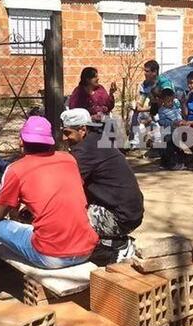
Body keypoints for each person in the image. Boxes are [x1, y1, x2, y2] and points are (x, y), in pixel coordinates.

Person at [0, 116, 99, 303]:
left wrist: (11, 203)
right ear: (51, 142)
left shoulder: (16, 169)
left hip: (51, 256)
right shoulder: (68, 160)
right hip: (86, 249)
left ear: (21, 142)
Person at [61, 109, 144, 266]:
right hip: (129, 211)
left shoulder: (85, 149)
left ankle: (116, 247)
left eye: (68, 133)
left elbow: (66, 185)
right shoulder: (97, 140)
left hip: (120, 216)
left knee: (64, 216)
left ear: (83, 130)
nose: (65, 138)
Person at [131, 60, 175, 147]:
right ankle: (135, 143)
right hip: (153, 109)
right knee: (134, 113)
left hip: (167, 111)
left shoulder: (164, 83)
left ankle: (158, 143)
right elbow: (141, 100)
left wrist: (144, 110)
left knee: (157, 115)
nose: (144, 73)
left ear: (154, 72)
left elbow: (164, 103)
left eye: (147, 71)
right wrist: (137, 106)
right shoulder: (146, 84)